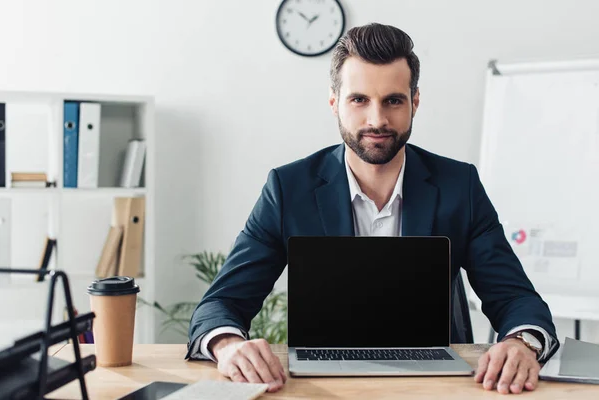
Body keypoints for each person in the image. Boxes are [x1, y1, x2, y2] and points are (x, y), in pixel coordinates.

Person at [186, 23, 558, 395]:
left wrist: (520, 343)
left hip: (437, 386)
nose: (377, 119)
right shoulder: (288, 189)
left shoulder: (459, 186)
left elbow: (515, 298)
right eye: (359, 99)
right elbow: (221, 303)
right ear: (335, 102)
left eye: (393, 100)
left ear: (415, 101)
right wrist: (229, 345)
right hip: (319, 387)